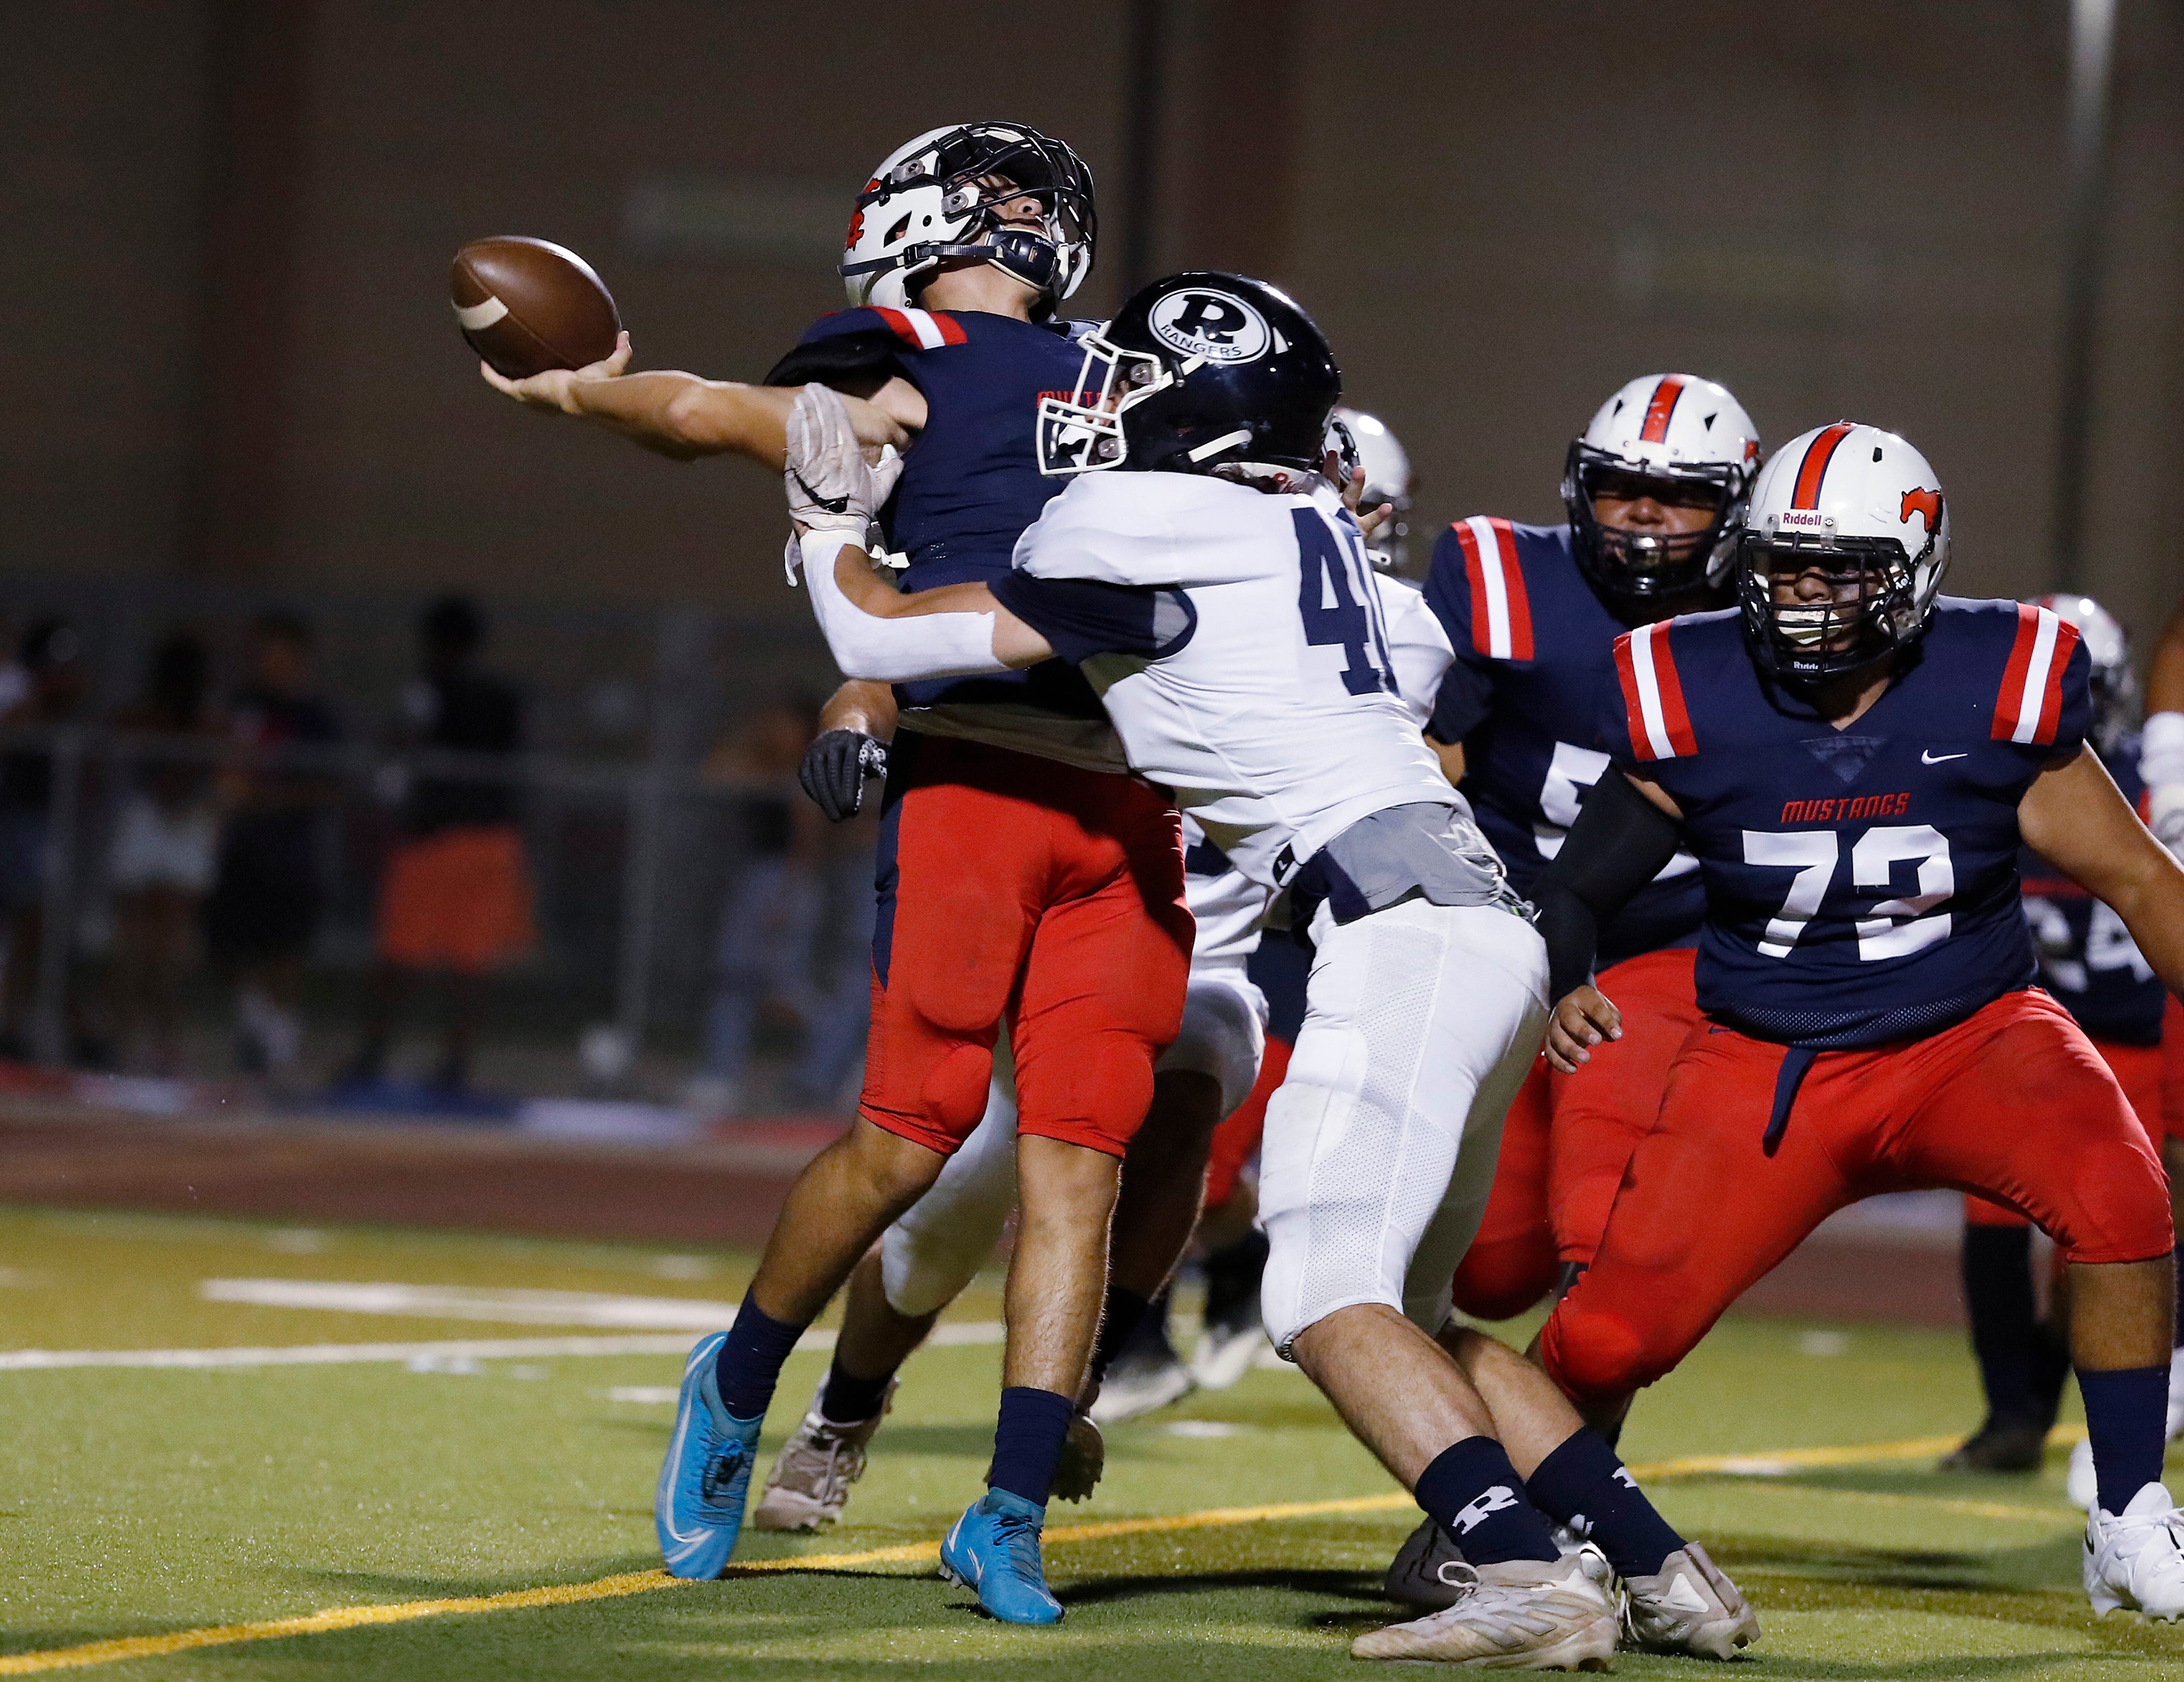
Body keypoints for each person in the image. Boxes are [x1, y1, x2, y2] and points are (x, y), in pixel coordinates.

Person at [779, 271, 1758, 1664]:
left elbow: (884, 634)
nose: (1097, 405)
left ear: (1192, 399)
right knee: (1415, 1319)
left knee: (1319, 1293)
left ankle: (1529, 1571)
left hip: (1396, 925)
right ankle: (1662, 1567)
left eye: (1129, 379)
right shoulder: (1301, 516)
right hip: (1483, 925)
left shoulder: (1132, 513)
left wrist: (829, 526)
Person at [487, 124, 1208, 1623]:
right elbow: (760, 426)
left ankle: (1006, 1515)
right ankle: (738, 1379)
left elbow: (711, 414)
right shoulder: (933, 354)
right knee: (910, 1136)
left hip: (1132, 802)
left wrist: (594, 393)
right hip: (983, 777)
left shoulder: (1120, 372)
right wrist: (597, 392)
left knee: (1081, 1158)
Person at [1532, 421, 2184, 1621]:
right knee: (1610, 1337)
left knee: (2123, 1189)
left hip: (1971, 1031)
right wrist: (1568, 969)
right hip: (1769, 1058)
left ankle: (2130, 1509)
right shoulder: (1692, 682)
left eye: (1845, 569)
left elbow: (2140, 879)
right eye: (1787, 565)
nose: (1811, 596)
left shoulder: (2001, 675)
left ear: (1920, 568)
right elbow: (1580, 882)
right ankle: (1539, 1523)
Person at [751, 419, 1444, 1520]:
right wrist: (857, 705)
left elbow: (1439, 770)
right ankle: (845, 1406)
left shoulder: (1394, 632)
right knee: (937, 1235)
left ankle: (1074, 1386)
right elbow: (931, 658)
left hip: (1197, 946)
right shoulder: (1133, 551)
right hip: (1068, 929)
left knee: (1209, 1043)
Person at [1377, 374, 1761, 1600]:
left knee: (1608, 1272)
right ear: (1577, 488)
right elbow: (1428, 748)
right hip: (1498, 932)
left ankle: (1536, 1518)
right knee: (1484, 1274)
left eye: (1679, 498)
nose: (1646, 518)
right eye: (1624, 489)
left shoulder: (1773, 619)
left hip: (1664, 957)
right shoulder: (1497, 573)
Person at [1939, 594, 2157, 1476]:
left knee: (2109, 1230)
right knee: (1988, 1213)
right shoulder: (1977, 777)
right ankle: (2011, 1410)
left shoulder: (2150, 787)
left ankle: (2051, 1396)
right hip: (2025, 1031)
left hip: (2134, 1042)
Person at [342, 596, 531, 1095]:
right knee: (470, 962)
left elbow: (399, 748)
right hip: (491, 839)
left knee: (403, 955)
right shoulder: (502, 697)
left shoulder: (427, 690)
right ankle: (454, 1061)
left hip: (435, 837)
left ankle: (374, 1053)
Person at [204, 612, 343, 1077]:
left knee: (287, 947)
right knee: (239, 944)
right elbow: (226, 768)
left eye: (278, 652)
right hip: (245, 844)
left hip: (290, 846)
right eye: (263, 651)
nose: (268, 661)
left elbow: (331, 786)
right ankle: (254, 1024)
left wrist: (274, 798)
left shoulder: (315, 716)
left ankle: (281, 1041)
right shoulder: (245, 706)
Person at [689, 700, 826, 1117]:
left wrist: (788, 895)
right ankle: (721, 1075)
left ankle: (838, 1062)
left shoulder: (814, 768)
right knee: (737, 981)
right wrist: (755, 739)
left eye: (783, 724)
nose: (774, 730)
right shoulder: (766, 765)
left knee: (784, 991)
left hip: (784, 881)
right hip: (758, 878)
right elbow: (713, 772)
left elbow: (809, 842)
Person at [106, 633, 223, 1073]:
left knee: (171, 936)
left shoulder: (209, 720)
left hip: (188, 821)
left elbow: (223, 763)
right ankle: (125, 1041)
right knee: (137, 934)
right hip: (146, 817)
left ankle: (165, 1041)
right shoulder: (143, 717)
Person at [0, 620, 91, 1059]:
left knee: (37, 926)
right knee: (27, 925)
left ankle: (18, 1026)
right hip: (16, 819)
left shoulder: (51, 701)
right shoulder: (15, 689)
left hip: (35, 823)